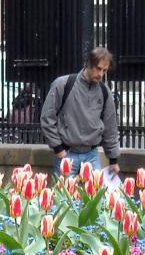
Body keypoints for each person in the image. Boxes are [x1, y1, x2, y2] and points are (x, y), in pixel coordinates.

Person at [40, 47, 120, 177]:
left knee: (96, 197)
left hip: (92, 154)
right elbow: (47, 118)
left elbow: (110, 127)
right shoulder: (63, 84)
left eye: (104, 70)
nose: (101, 74)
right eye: (98, 68)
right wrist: (58, 149)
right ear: (88, 64)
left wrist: (113, 159)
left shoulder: (104, 92)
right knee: (64, 196)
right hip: (67, 152)